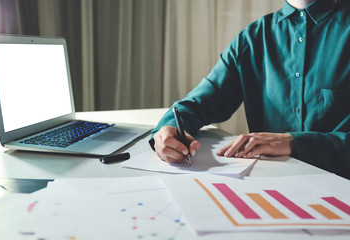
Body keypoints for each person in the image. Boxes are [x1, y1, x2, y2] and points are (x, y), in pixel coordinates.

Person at [149, 0, 350, 179]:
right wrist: (168, 130)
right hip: (271, 188)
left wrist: (295, 142)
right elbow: (201, 101)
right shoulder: (253, 38)